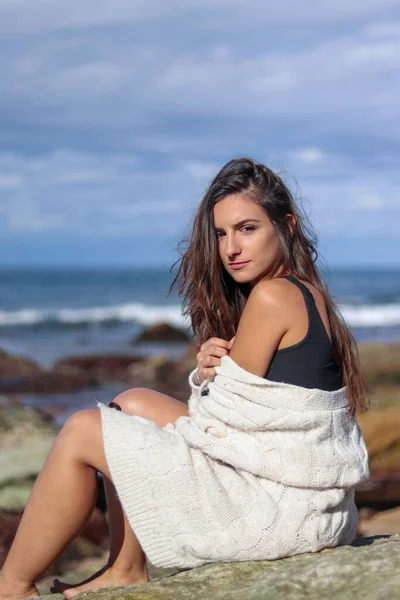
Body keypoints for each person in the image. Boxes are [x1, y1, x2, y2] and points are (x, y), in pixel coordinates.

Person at [0, 158, 369, 600]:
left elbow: (220, 426)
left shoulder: (272, 296)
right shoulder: (305, 291)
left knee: (82, 429)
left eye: (247, 228)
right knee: (131, 402)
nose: (230, 247)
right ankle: (125, 566)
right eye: (221, 233)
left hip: (280, 512)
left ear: (286, 226)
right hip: (311, 504)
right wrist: (212, 371)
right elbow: (256, 415)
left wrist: (208, 378)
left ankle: (12, 586)